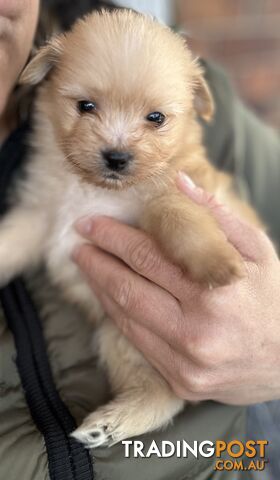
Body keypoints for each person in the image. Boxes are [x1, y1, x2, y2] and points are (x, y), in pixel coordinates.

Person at [0, 0, 279, 479]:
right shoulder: (52, 147)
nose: (117, 145)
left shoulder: (214, 129)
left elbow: (176, 211)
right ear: (47, 74)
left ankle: (152, 399)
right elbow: (30, 225)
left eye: (155, 119)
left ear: (194, 105)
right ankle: (149, 398)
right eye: (87, 107)